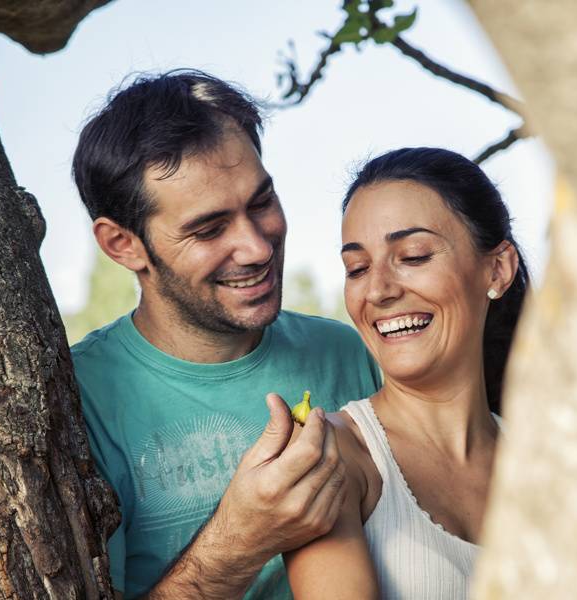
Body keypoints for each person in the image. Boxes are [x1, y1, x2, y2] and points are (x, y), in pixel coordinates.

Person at [70, 70, 382, 599]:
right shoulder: (77, 401)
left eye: (261, 203)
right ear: (123, 245)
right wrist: (242, 539)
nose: (257, 247)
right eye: (209, 229)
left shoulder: (346, 351)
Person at [284, 147, 529, 599]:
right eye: (357, 268)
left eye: (413, 256)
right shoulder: (333, 457)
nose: (377, 289)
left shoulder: (549, 462)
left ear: (497, 269)